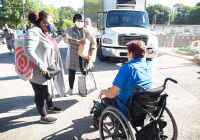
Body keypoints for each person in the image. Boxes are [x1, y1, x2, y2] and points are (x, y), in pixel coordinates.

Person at [23, 10, 67, 123]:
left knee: (47, 89)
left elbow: (50, 44)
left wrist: (60, 38)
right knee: (40, 92)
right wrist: (41, 65)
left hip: (46, 69)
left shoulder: (43, 32)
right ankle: (43, 116)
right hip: (38, 71)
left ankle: (51, 107)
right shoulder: (32, 32)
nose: (52, 23)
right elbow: (28, 51)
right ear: (43, 22)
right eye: (50, 21)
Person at [98, 40, 153, 115]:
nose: (127, 55)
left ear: (131, 53)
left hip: (128, 109)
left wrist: (103, 91)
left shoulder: (127, 68)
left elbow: (111, 94)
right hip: (145, 107)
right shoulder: (150, 65)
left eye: (128, 53)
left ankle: (104, 118)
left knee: (106, 99)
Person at [64, 14, 97, 97]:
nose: (80, 22)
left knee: (84, 72)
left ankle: (84, 89)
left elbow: (93, 42)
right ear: (74, 21)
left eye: (82, 21)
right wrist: (77, 41)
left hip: (83, 56)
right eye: (78, 20)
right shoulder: (69, 30)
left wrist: (90, 54)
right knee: (71, 72)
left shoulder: (86, 31)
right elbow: (65, 39)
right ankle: (70, 89)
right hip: (72, 55)